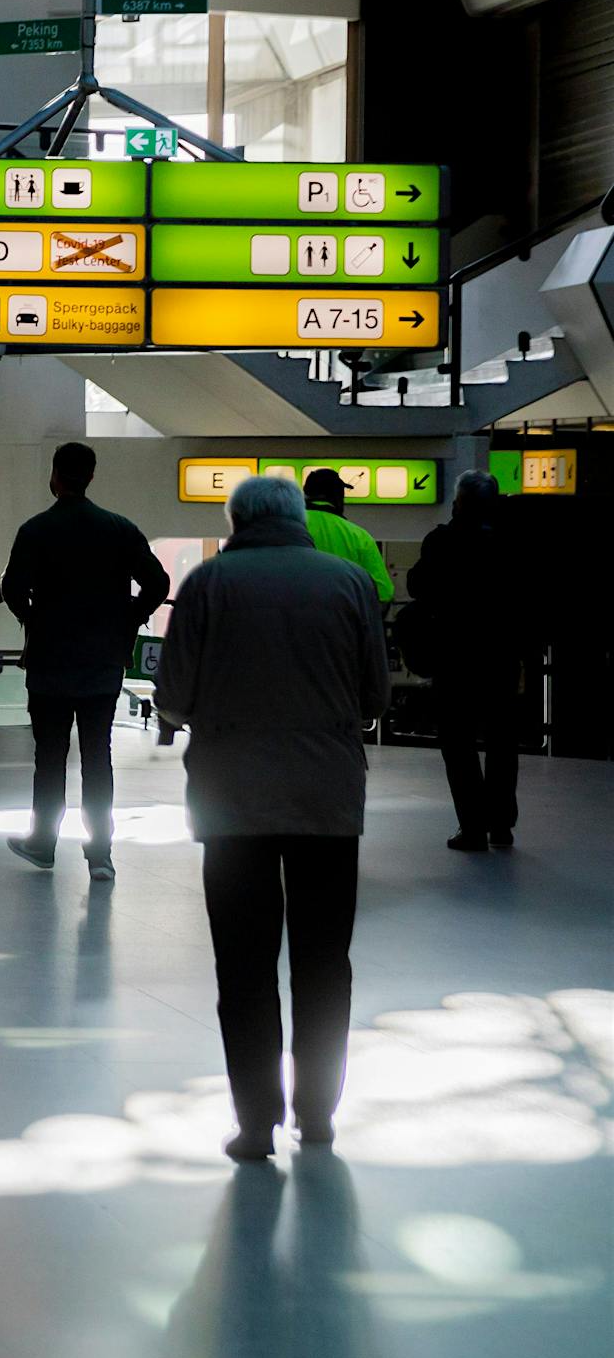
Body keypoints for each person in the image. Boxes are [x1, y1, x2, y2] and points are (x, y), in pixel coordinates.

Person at [154, 476, 389, 1161]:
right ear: (299, 519)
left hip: (231, 800)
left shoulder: (208, 584)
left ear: (238, 521)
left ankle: (256, 1123)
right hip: (327, 797)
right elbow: (375, 696)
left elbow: (172, 696)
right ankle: (318, 1114)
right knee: (324, 961)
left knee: (244, 964)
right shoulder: (349, 582)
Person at [0, 441, 169, 882]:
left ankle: (43, 844)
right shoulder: (119, 529)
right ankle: (100, 856)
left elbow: (12, 589)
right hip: (103, 661)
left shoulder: (36, 530)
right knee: (98, 756)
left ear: (55, 476)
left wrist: (33, 619)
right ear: (91, 476)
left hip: (50, 662)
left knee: (50, 756)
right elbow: (158, 582)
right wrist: (129, 618)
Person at [407, 470, 522, 851]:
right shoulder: (511, 541)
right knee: (502, 742)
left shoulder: (442, 540)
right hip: (502, 655)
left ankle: (472, 827)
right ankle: (501, 824)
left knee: (458, 743)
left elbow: (418, 586)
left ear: (459, 502)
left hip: (454, 657)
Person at [302, 469, 395, 601]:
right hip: (342, 611)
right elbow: (384, 592)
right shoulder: (359, 537)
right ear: (338, 496)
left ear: (305, 495)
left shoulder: (289, 527)